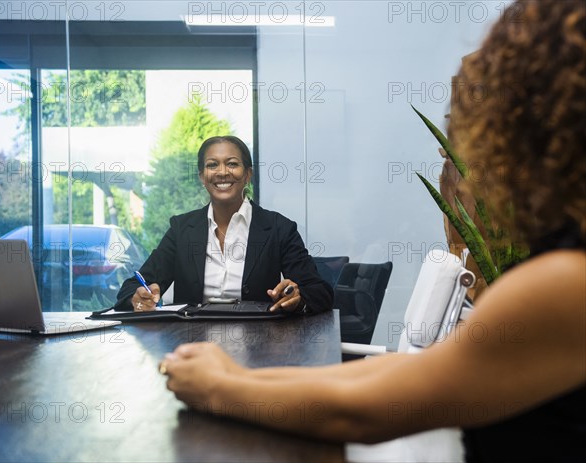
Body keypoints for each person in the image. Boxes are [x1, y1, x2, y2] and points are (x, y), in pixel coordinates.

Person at [160, 2, 585, 460]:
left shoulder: (565, 281)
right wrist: (233, 377)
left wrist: (223, 388)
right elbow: (390, 376)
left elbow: (369, 409)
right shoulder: (559, 269)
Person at [114, 135, 333, 313]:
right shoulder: (182, 230)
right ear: (202, 176)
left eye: (232, 164)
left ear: (248, 174)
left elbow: (319, 291)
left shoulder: (278, 228)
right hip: (193, 344)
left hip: (260, 345)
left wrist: (298, 296)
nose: (222, 172)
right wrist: (138, 298)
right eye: (212, 165)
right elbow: (132, 288)